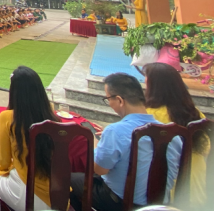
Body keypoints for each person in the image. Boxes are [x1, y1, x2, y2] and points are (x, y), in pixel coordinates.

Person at [69, 72, 182, 211]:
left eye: (108, 99)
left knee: (68, 179)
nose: (109, 104)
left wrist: (95, 143)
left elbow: (100, 169)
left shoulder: (115, 131)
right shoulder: (174, 135)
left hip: (119, 202)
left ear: (119, 100)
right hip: (160, 204)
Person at [0, 66, 59, 211]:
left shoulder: (7, 117)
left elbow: (3, 162)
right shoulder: (51, 116)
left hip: (27, 194)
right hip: (58, 195)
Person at [143, 62, 209, 207]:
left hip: (164, 191)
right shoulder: (195, 113)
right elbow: (206, 147)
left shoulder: (149, 115)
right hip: (197, 187)